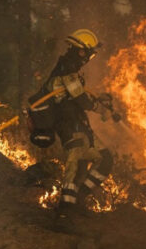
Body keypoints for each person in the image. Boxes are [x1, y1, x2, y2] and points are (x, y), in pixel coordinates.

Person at [26, 28, 114, 231]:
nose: (90, 58)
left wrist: (100, 101)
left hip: (79, 123)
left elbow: (79, 96)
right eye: (90, 53)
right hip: (68, 125)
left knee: (106, 159)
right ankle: (64, 214)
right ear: (81, 51)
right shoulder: (67, 67)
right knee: (75, 166)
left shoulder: (71, 68)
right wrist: (101, 109)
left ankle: (78, 199)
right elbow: (81, 99)